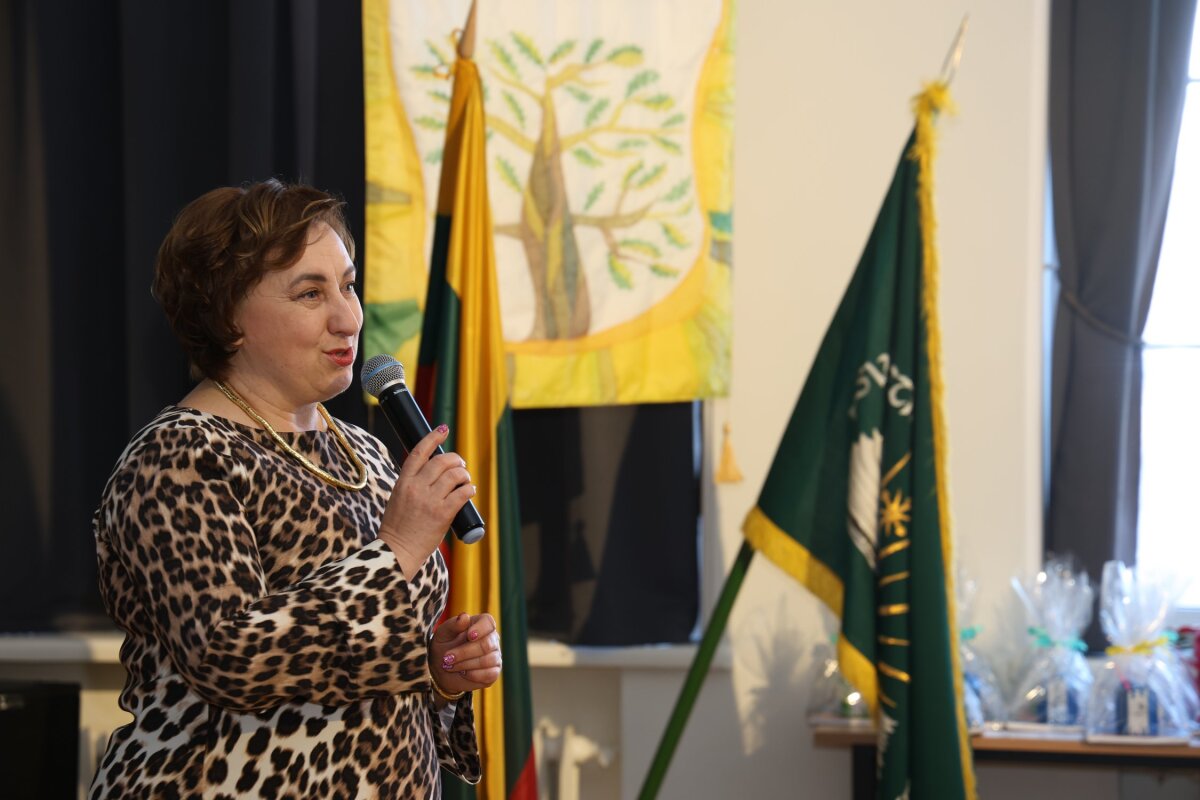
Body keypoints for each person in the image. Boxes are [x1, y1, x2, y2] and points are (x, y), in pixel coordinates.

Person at [90, 179, 500, 799]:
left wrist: (435, 668)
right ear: (228, 318)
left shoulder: (364, 451)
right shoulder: (179, 456)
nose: (349, 317)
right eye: (311, 293)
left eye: (348, 285)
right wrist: (395, 552)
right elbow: (229, 658)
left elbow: (346, 654)